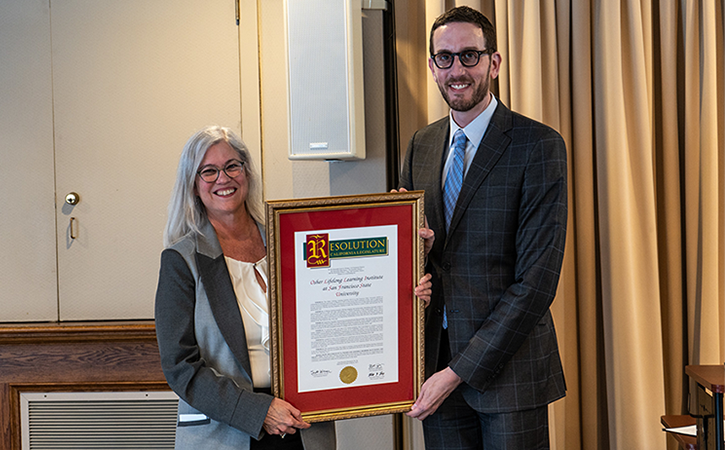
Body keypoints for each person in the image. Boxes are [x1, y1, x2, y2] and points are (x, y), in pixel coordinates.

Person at [400, 6, 567, 449]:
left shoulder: (539, 145)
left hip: (509, 377)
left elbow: (536, 283)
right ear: (432, 66)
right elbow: (409, 254)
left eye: (469, 56)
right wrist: (413, 264)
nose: (457, 70)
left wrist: (456, 374)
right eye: (445, 58)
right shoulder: (421, 144)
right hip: (434, 364)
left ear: (494, 62)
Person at [154, 126, 336, 450]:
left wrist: (405, 290)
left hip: (302, 426)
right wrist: (260, 412)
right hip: (227, 431)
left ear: (247, 173)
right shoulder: (180, 260)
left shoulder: (290, 241)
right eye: (208, 171)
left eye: (232, 166)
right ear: (194, 185)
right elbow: (180, 367)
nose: (223, 178)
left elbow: (332, 312)